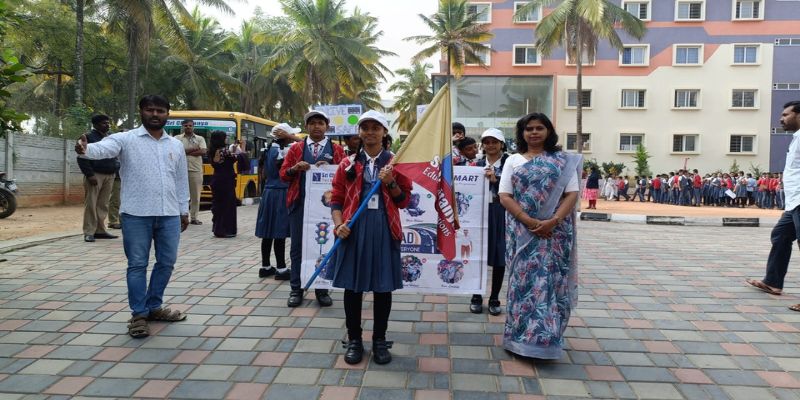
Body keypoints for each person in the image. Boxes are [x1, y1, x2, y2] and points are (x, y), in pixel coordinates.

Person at [75, 94, 189, 338]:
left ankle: (154, 306)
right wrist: (86, 149)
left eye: (160, 110)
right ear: (141, 111)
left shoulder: (175, 145)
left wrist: (184, 210)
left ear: (167, 114)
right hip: (136, 214)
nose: (155, 114)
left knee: (166, 263)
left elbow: (181, 179)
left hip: (169, 214)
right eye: (150, 109)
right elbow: (102, 148)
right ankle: (139, 314)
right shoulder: (125, 139)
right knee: (137, 264)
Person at [325, 110, 412, 365]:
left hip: (384, 229)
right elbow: (336, 198)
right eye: (365, 127)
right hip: (353, 230)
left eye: (376, 127)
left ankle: (379, 340)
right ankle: (354, 339)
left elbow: (404, 201)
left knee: (382, 287)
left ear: (384, 132)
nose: (370, 132)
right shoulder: (347, 163)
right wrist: (338, 225)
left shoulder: (396, 163)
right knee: (352, 287)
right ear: (359, 132)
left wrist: (391, 181)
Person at [498, 112, 580, 359]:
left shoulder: (562, 161)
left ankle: (547, 341)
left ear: (548, 131)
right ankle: (519, 340)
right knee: (523, 283)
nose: (534, 132)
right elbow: (505, 196)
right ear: (522, 133)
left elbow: (572, 194)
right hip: (523, 232)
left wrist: (553, 221)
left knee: (551, 282)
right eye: (529, 129)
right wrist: (530, 221)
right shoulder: (513, 160)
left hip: (555, 233)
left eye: (539, 128)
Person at [280, 110, 345, 308]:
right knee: (297, 248)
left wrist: (331, 168)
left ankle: (321, 289)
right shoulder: (296, 149)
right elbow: (283, 174)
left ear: (327, 127)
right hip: (299, 205)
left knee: (324, 246)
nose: (317, 126)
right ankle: (296, 289)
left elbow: (346, 174)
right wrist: (295, 169)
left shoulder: (336, 150)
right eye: (313, 123)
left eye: (320, 123)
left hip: (328, 209)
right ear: (307, 126)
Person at [747, 100, 800, 312]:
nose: (781, 119)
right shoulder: (796, 138)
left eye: (786, 115)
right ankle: (773, 282)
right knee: (780, 235)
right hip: (794, 202)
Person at [470, 128, 509, 315]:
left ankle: (494, 297)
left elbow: (517, 187)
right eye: (487, 142)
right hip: (479, 213)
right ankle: (476, 295)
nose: (491, 145)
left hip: (501, 212)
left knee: (499, 256)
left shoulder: (511, 163)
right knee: (477, 254)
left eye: (494, 141)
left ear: (502, 144)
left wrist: (496, 180)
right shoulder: (476, 164)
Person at [255, 123, 299, 279]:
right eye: (289, 135)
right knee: (279, 232)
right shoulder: (282, 152)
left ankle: (265, 266)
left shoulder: (268, 150)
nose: (292, 138)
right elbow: (304, 144)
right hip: (281, 193)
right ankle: (281, 268)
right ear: (284, 137)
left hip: (268, 193)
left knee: (268, 232)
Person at [77, 114, 120, 242]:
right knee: (91, 203)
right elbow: (81, 158)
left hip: (110, 175)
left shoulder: (110, 138)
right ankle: (89, 232)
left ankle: (100, 230)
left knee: (103, 204)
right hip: (95, 175)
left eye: (108, 123)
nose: (107, 125)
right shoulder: (87, 137)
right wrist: (90, 175)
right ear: (95, 125)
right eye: (104, 123)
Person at [208, 132, 246, 238]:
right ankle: (226, 230)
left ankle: (218, 229)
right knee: (227, 205)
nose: (226, 140)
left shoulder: (213, 150)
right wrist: (243, 147)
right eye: (225, 138)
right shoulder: (224, 151)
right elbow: (240, 157)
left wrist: (233, 148)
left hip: (217, 180)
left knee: (218, 205)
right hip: (226, 181)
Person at [175, 119, 207, 225]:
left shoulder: (200, 138)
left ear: (193, 126)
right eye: (186, 125)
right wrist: (194, 149)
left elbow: (203, 151)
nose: (188, 127)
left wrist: (185, 152)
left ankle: (194, 218)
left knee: (195, 196)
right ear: (182, 127)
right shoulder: (177, 138)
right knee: (179, 195)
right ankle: (180, 216)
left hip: (195, 171)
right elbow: (176, 151)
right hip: (180, 171)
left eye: (190, 125)